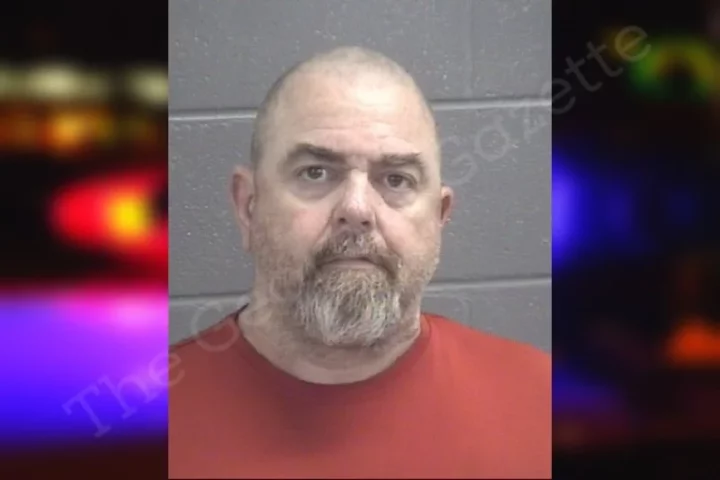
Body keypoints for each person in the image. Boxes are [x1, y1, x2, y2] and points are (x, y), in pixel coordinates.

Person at [169, 46, 551, 479]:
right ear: (248, 207)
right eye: (315, 172)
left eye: (396, 179)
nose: (356, 209)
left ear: (439, 216)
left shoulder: (541, 402)